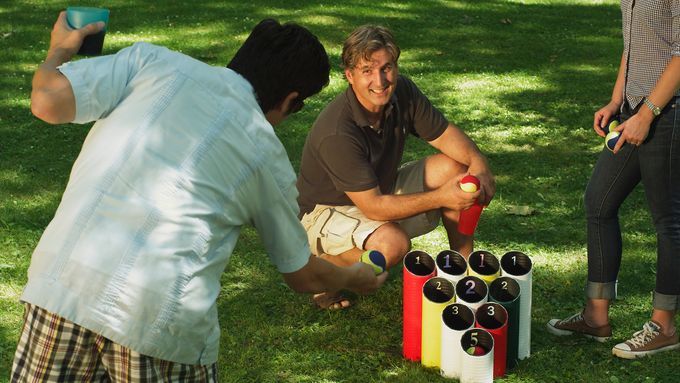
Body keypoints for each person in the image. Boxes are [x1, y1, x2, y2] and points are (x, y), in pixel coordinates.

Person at [11, 12, 387, 382]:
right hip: (159, 325)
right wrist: (355, 276)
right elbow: (302, 274)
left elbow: (46, 101)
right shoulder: (266, 155)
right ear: (290, 100)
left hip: (61, 287)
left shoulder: (149, 61)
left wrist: (58, 52)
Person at [296, 25, 495, 309]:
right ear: (349, 76)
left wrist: (480, 165)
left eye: (386, 68)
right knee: (393, 243)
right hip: (322, 215)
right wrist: (442, 197)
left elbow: (446, 136)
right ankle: (325, 273)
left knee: (457, 169)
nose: (380, 80)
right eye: (367, 70)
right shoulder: (338, 131)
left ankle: (461, 273)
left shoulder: (402, 93)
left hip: (375, 192)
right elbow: (375, 208)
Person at [547, 0, 680, 359]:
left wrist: (648, 114)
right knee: (599, 202)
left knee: (668, 220)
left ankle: (663, 326)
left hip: (667, 113)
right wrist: (615, 100)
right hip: (633, 111)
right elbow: (633, 44)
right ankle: (596, 316)